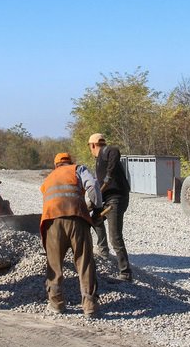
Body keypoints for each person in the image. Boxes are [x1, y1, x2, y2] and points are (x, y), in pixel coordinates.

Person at [40, 152, 102, 317]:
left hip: (52, 222)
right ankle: (90, 307)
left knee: (54, 264)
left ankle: (56, 304)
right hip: (77, 218)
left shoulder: (49, 178)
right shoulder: (78, 169)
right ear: (70, 162)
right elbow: (93, 185)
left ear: (56, 165)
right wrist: (97, 208)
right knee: (84, 262)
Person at [88, 133, 133, 282]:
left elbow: (115, 150)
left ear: (93, 145)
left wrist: (107, 179)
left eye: (90, 147)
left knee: (115, 236)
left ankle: (125, 273)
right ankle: (103, 251)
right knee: (95, 219)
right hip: (106, 199)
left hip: (116, 199)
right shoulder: (98, 160)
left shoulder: (107, 151)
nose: (90, 149)